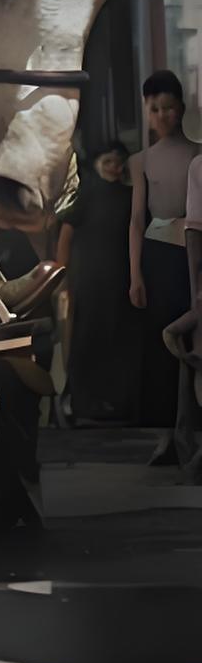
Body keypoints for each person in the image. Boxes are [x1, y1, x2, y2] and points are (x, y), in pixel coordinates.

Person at [129, 71, 201, 461]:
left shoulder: (197, 155)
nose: (161, 115)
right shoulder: (140, 161)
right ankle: (165, 436)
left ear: (181, 110)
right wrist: (135, 274)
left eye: (168, 107)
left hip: (192, 257)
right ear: (147, 111)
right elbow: (136, 220)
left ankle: (191, 429)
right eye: (154, 108)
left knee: (192, 342)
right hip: (157, 261)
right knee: (159, 349)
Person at [56, 141, 139, 422]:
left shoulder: (131, 195)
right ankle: (83, 403)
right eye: (108, 162)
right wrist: (61, 277)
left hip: (122, 279)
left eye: (119, 163)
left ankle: (115, 403)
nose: (115, 168)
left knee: (117, 338)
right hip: (89, 280)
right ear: (95, 164)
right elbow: (65, 236)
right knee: (87, 337)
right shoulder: (84, 194)